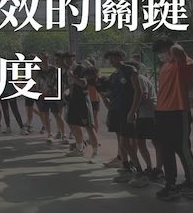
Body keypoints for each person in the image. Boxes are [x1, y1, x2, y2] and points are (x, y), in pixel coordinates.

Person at [152, 37, 193, 200]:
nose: (161, 55)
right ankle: (171, 185)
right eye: (159, 53)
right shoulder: (165, 66)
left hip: (178, 111)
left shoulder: (184, 62)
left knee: (182, 149)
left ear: (169, 49)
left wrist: (172, 47)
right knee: (166, 150)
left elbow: (178, 52)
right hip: (162, 112)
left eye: (162, 51)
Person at [102, 49, 142, 183]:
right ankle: (126, 169)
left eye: (113, 58)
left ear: (121, 57)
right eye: (109, 58)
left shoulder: (130, 70)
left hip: (127, 111)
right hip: (116, 112)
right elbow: (112, 93)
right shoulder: (113, 75)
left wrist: (133, 111)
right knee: (121, 143)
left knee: (125, 143)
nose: (111, 61)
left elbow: (138, 91)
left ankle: (139, 171)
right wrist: (104, 95)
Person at [60, 53, 99, 162]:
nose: (67, 61)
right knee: (74, 124)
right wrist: (65, 94)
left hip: (83, 101)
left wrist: (72, 75)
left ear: (73, 58)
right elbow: (68, 85)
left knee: (88, 126)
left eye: (69, 59)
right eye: (65, 59)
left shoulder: (80, 68)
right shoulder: (65, 72)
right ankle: (79, 148)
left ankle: (96, 152)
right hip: (72, 101)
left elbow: (84, 83)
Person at [35, 51, 65, 143]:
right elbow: (36, 81)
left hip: (52, 95)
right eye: (42, 58)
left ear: (48, 58)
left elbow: (59, 81)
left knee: (57, 115)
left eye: (46, 58)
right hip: (43, 95)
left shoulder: (54, 69)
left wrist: (55, 89)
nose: (44, 60)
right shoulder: (39, 70)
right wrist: (38, 90)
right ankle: (49, 134)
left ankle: (63, 134)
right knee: (46, 115)